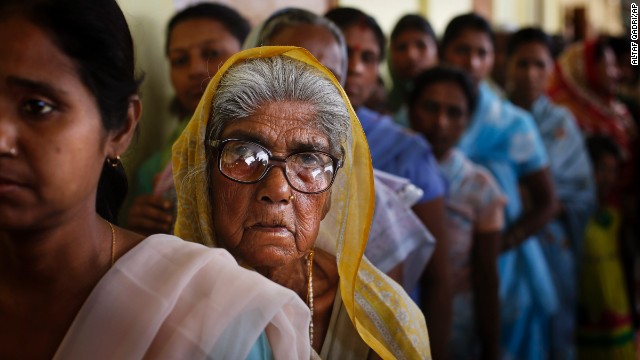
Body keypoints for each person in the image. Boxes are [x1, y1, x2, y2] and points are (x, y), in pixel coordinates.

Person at [0, 0, 311, 358]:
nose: (2, 140)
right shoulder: (156, 170)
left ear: (121, 127)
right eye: (181, 59)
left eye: (37, 107)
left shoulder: (210, 322)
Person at [172, 46, 431, 359]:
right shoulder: (165, 305)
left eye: (308, 160)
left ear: (330, 195)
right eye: (244, 153)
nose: (277, 189)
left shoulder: (384, 320)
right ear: (206, 176)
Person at [245, 7, 435, 292]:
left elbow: (379, 315)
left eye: (329, 75)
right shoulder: (204, 167)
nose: (311, 86)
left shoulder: (364, 196)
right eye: (292, 68)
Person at [325, 8, 451, 358]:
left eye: (370, 57)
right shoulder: (289, 138)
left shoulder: (409, 150)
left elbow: (437, 278)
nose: (359, 68)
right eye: (347, 54)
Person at [440, 13, 559, 359]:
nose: (472, 62)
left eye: (482, 53)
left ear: (494, 60)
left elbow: (547, 202)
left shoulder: (513, 124)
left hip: (504, 266)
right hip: (440, 262)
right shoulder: (424, 117)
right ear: (445, 52)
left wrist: (501, 245)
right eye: (462, 50)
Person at [506, 27, 597, 360]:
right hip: (501, 239)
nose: (530, 74)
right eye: (523, 64)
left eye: (540, 65)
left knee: (556, 327)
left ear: (551, 70)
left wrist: (536, 200)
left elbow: (579, 189)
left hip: (552, 240)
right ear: (507, 65)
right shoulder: (493, 119)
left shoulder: (562, 122)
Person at [127, 3, 250, 236]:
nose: (194, 69)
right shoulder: (155, 171)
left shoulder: (278, 144)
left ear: (248, 54)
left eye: (211, 53)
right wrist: (135, 227)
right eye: (180, 60)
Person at [409, 66, 504, 360]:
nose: (440, 122)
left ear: (468, 120)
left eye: (454, 113)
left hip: (458, 326)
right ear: (410, 109)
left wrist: (491, 346)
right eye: (430, 108)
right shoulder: (384, 170)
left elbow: (487, 274)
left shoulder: (480, 186)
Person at [578, 136, 637, 359]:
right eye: (601, 169)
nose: (608, 178)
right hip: (585, 313)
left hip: (616, 311)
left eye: (613, 171)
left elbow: (626, 261)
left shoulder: (615, 216)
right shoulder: (575, 215)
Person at [388, 14, 438, 126]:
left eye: (421, 45)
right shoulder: (381, 104)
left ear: (436, 49)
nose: (411, 55)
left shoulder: (454, 99)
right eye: (401, 47)